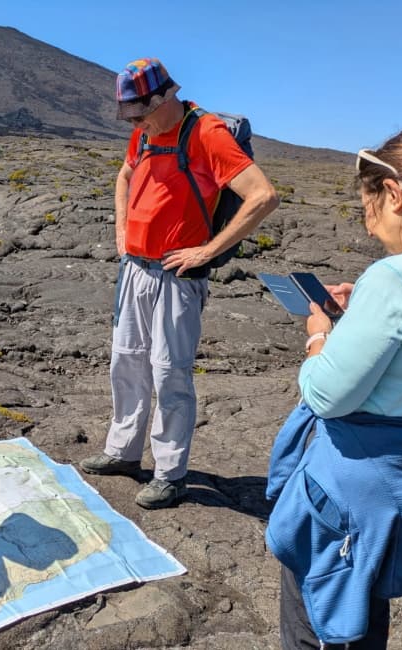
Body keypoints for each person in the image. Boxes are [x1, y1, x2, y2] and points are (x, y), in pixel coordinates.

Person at [265, 128, 402, 648]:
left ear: (396, 194)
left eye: (369, 210)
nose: (371, 232)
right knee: (368, 600)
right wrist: (363, 321)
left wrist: (320, 335)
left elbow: (327, 395)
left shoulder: (396, 279)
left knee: (323, 617)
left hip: (354, 493)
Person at [80, 57, 279, 508]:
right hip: (135, 269)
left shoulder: (206, 132)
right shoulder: (145, 132)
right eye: (129, 115)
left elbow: (263, 195)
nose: (136, 122)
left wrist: (207, 252)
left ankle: (170, 473)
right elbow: (126, 173)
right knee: (126, 363)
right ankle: (124, 452)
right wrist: (121, 228)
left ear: (164, 96)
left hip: (177, 275)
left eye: (140, 112)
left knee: (170, 373)